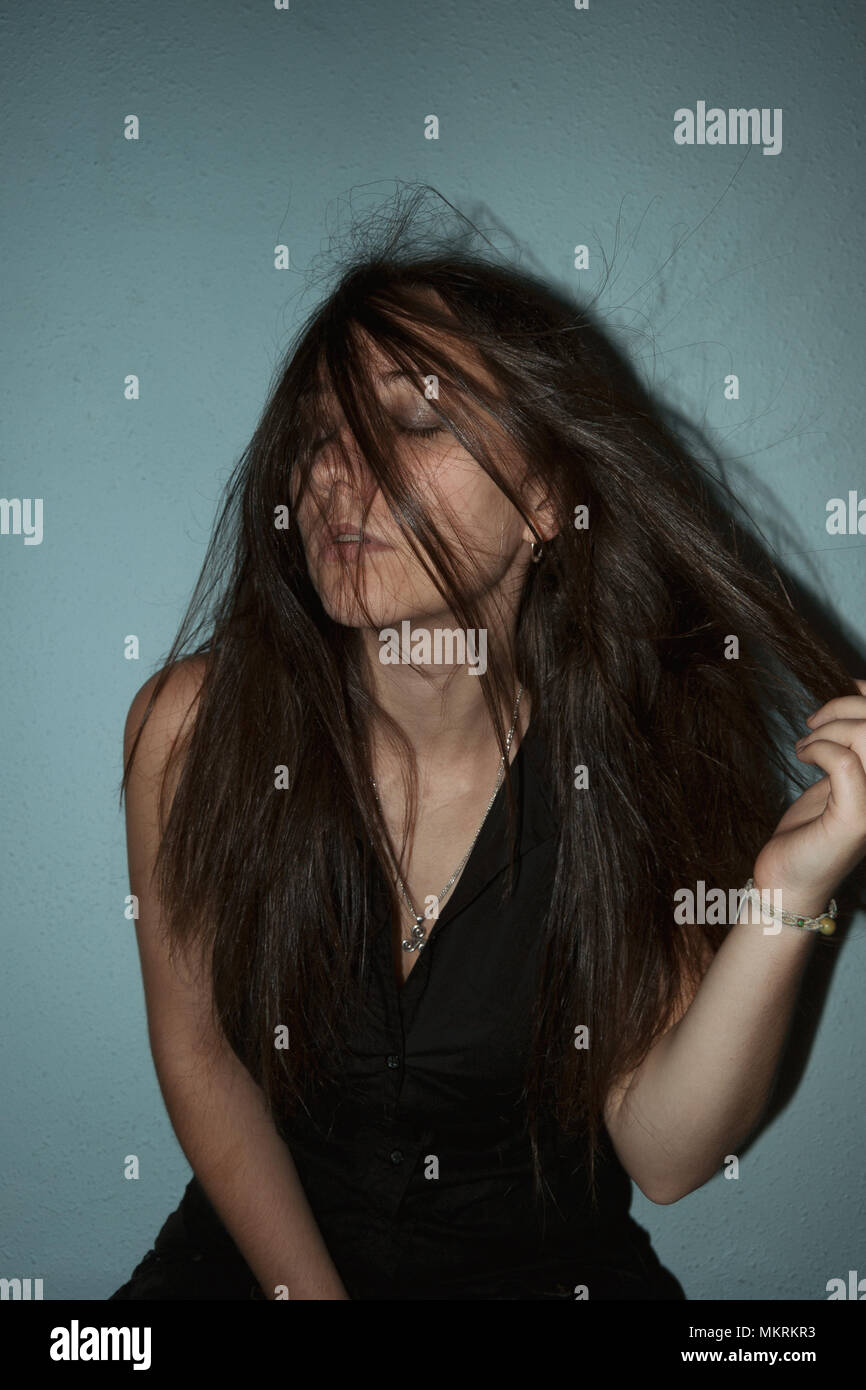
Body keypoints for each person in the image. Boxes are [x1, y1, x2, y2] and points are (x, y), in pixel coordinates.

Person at [109, 191, 866, 1300]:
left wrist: (783, 897)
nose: (333, 472)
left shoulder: (637, 757)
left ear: (548, 500)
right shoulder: (190, 728)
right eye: (317, 434)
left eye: (412, 422)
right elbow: (202, 1063)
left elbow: (663, 1156)